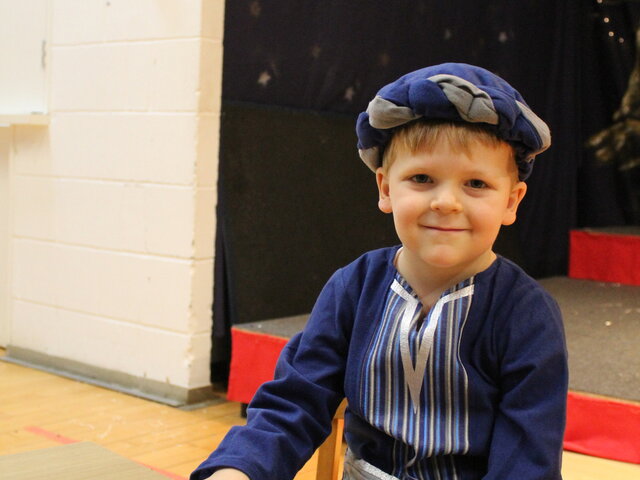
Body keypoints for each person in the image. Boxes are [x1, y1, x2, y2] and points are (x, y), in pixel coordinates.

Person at [191, 63, 568, 480]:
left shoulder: (527, 314)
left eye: (476, 184)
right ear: (386, 188)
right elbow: (295, 400)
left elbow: (528, 457)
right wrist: (239, 468)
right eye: (422, 178)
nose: (446, 202)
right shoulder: (353, 287)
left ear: (511, 201)